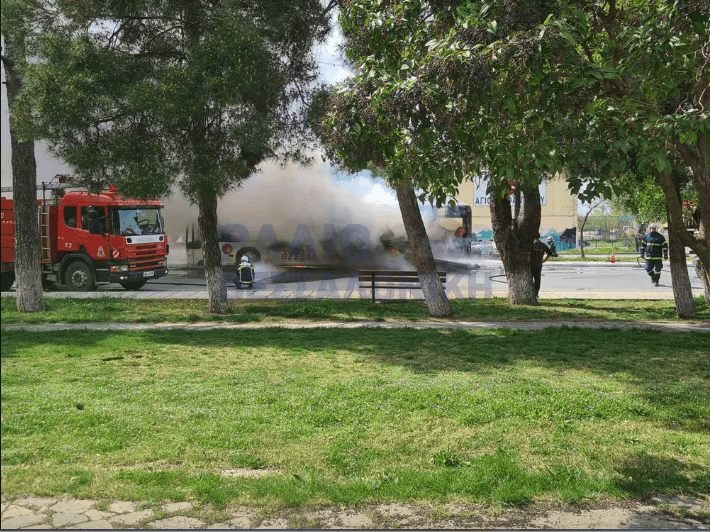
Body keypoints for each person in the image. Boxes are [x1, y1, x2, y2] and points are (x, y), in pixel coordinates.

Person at [531, 234, 558, 299]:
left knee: (530, 279)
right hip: (539, 265)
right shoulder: (543, 245)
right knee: (537, 280)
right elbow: (550, 253)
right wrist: (544, 260)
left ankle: (531, 293)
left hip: (530, 265)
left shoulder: (530, 245)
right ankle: (536, 294)